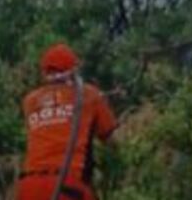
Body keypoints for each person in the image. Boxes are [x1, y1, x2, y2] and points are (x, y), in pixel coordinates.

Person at [17, 43, 118, 200]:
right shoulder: (89, 94)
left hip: (28, 187)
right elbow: (111, 140)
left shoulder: (30, 101)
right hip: (68, 185)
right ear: (73, 70)